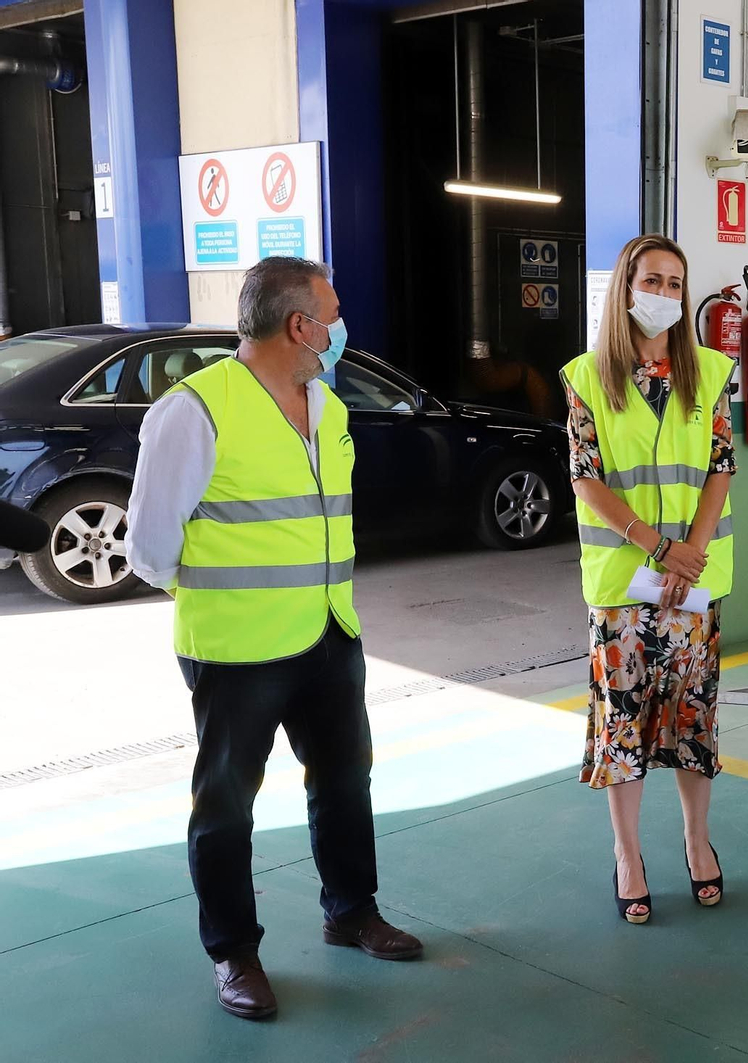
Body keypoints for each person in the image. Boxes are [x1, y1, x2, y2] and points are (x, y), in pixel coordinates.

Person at [128, 257, 421, 1021]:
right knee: (226, 803)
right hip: (238, 650)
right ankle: (234, 951)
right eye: (333, 310)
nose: (339, 324)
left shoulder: (327, 405)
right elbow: (151, 546)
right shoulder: (194, 411)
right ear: (301, 325)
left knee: (343, 779)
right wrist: (226, 601)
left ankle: (351, 910)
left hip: (329, 632)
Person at [560, 234, 737, 925]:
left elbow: (721, 463)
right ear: (625, 286)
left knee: (693, 721)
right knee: (625, 727)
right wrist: (657, 545)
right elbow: (584, 477)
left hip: (692, 583)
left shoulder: (712, 372)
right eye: (652, 279)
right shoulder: (586, 378)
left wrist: (691, 548)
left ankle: (697, 841)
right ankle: (627, 854)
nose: (663, 294)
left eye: (674, 283)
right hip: (625, 581)